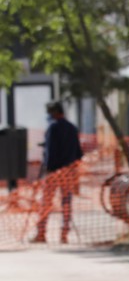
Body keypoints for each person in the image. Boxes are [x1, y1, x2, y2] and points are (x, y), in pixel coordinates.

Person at [33, 101, 83, 244]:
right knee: (66, 203)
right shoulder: (72, 128)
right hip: (69, 171)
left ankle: (41, 233)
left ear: (53, 112)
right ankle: (64, 234)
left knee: (46, 203)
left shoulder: (53, 127)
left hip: (54, 172)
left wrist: (47, 170)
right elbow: (78, 152)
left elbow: (50, 151)